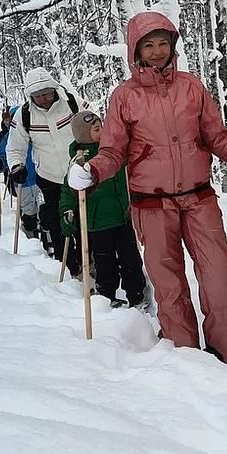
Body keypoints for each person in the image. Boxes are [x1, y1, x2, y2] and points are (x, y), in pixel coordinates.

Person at [67, 12, 227, 369]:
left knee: (218, 280)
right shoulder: (123, 97)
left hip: (199, 199)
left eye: (162, 43)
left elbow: (217, 138)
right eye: (148, 45)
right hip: (151, 206)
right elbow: (113, 152)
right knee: (169, 289)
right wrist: (91, 171)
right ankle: (188, 364)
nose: (156, 52)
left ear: (173, 45)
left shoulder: (192, 87)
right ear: (135, 50)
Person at [60, 111, 147, 308]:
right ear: (83, 134)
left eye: (102, 127)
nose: (103, 131)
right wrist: (67, 210)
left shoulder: (114, 151)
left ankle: (137, 295)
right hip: (98, 224)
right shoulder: (79, 161)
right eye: (96, 129)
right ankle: (107, 297)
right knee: (105, 264)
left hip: (123, 218)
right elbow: (68, 190)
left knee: (131, 261)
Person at [7, 67, 82, 276]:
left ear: (54, 89)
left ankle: (88, 260)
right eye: (37, 95)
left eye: (46, 93)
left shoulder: (71, 102)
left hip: (79, 173)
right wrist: (17, 166)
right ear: (30, 96)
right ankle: (67, 266)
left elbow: (92, 124)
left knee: (85, 218)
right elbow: (15, 146)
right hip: (49, 178)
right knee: (56, 222)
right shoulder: (24, 115)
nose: (43, 98)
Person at [0, 106, 40, 239]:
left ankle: (49, 241)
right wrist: (0, 161)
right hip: (22, 181)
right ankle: (32, 241)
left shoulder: (37, 131)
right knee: (29, 212)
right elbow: (5, 153)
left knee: (46, 211)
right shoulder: (9, 137)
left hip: (41, 178)